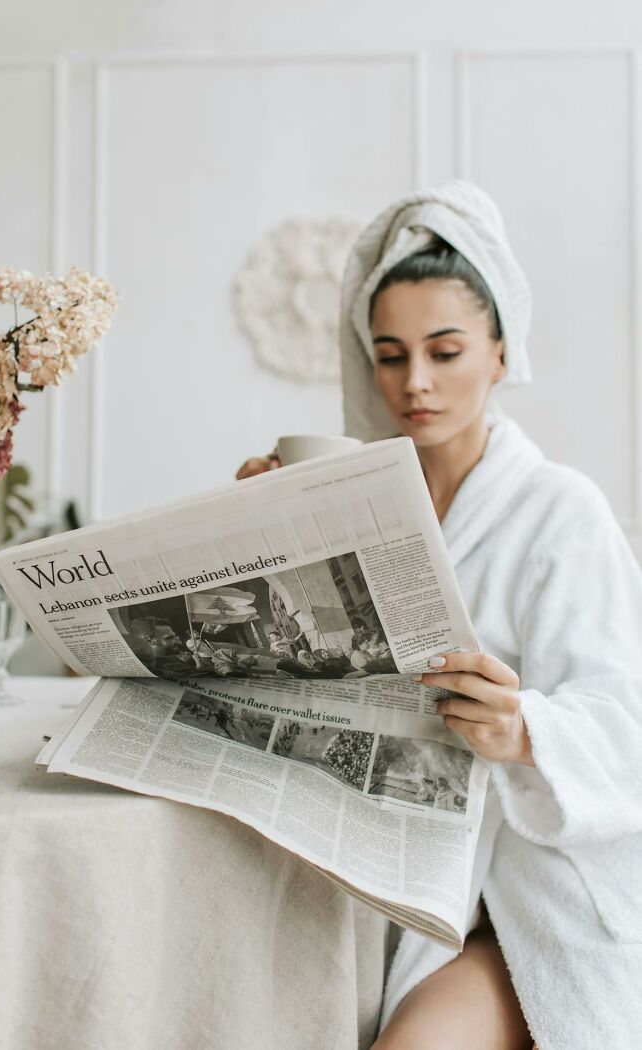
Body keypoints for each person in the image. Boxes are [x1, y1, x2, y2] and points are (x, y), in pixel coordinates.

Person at [237, 181, 642, 1049]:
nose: (414, 383)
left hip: (527, 898)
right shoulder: (355, 502)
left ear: (501, 351)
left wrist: (524, 730)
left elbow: (626, 727)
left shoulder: (562, 513)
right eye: (390, 355)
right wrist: (266, 541)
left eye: (445, 350)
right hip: (383, 868)